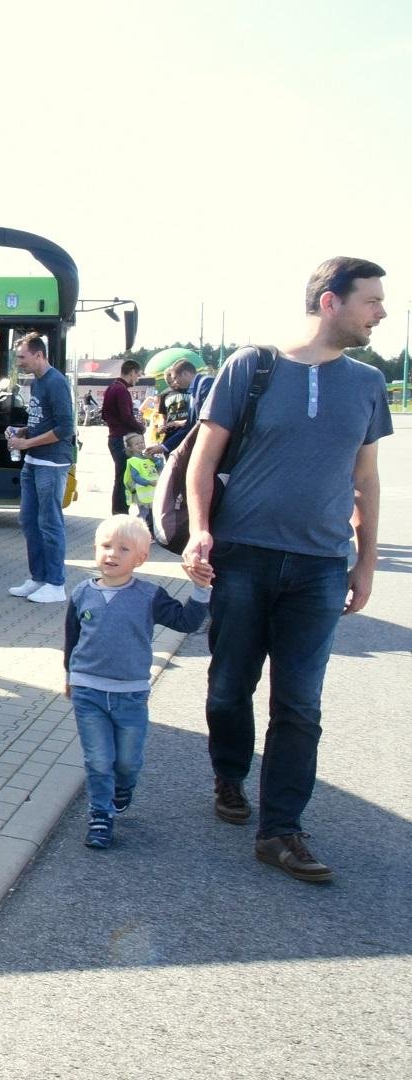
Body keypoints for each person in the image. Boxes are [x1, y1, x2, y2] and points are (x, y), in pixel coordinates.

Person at [183, 256, 391, 883]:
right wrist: (199, 531)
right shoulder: (252, 367)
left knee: (300, 703)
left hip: (321, 567)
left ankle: (281, 830)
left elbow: (366, 477)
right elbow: (203, 457)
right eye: (372, 301)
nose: (381, 312)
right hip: (242, 555)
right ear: (331, 302)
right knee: (228, 685)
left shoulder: (367, 383)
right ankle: (229, 771)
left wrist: (366, 560)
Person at [63, 515, 211, 849]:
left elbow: (185, 622)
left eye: (123, 549)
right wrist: (69, 676)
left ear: (141, 559)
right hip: (89, 691)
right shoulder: (82, 593)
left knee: (127, 761)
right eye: (105, 546)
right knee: (99, 760)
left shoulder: (149, 595)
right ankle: (100, 816)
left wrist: (201, 590)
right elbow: (72, 638)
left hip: (130, 694)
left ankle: (123, 787)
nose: (111, 554)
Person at [7, 333, 77, 603]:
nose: (19, 362)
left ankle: (56, 583)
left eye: (22, 357)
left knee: (50, 523)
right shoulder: (38, 383)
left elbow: (64, 429)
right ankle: (38, 578)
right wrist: (21, 431)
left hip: (51, 462)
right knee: (28, 520)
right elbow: (42, 421)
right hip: (35, 461)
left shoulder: (56, 383)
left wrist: (26, 443)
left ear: (38, 354)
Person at [100, 359, 146, 513]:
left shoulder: (111, 388)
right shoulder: (122, 391)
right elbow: (126, 416)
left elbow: (104, 415)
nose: (137, 379)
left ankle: (118, 512)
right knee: (124, 479)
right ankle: (121, 512)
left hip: (113, 437)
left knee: (120, 477)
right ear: (131, 372)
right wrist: (140, 428)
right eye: (137, 375)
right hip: (122, 439)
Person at [121, 432, 162, 537]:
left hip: (151, 492)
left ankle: (144, 532)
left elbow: (159, 466)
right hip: (141, 494)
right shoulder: (133, 461)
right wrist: (148, 482)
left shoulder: (147, 458)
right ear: (130, 448)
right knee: (144, 514)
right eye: (136, 444)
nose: (140, 445)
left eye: (141, 442)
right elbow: (135, 477)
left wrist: (153, 459)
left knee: (150, 513)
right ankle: (137, 532)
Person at [157, 359, 201, 454]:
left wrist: (180, 423)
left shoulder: (192, 390)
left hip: (190, 432)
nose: (174, 383)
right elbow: (163, 415)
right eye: (169, 382)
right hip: (172, 435)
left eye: (174, 379)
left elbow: (198, 418)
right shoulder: (164, 394)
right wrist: (161, 426)